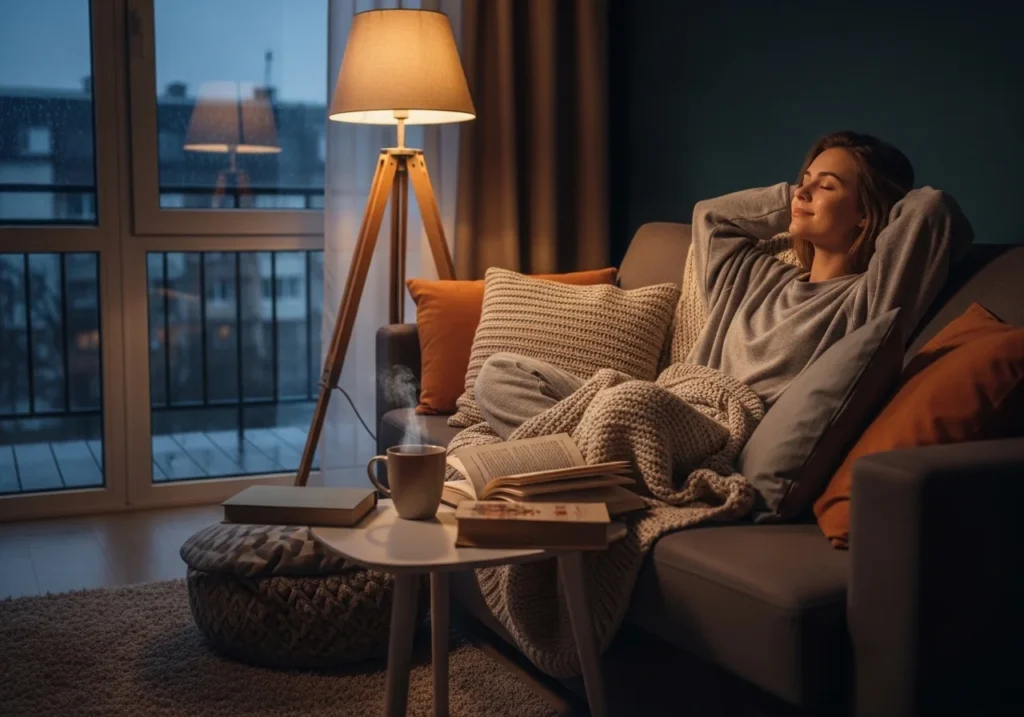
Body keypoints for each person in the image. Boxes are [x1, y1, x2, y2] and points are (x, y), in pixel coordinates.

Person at [474, 131, 974, 440]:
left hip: (720, 429)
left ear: (866, 214)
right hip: (664, 404)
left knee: (621, 405)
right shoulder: (756, 276)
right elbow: (711, 217)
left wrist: (883, 205)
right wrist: (793, 198)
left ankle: (574, 459)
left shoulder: (869, 300)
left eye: (827, 186)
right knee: (500, 375)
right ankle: (595, 467)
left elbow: (932, 211)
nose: (804, 190)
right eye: (804, 177)